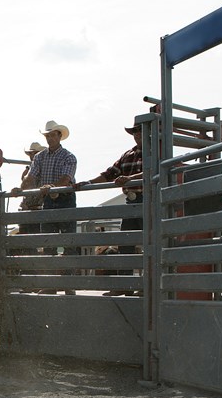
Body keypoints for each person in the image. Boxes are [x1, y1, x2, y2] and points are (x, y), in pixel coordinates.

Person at [75, 119, 144, 296]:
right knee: (126, 244)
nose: (137, 135)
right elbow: (109, 174)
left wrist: (130, 178)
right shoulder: (128, 154)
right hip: (132, 201)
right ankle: (126, 284)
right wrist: (89, 182)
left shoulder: (155, 152)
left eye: (140, 131)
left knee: (150, 244)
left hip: (148, 201)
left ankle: (146, 286)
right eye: (135, 132)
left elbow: (154, 171)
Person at [23, 120, 78, 294]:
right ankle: (51, 283)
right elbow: (32, 176)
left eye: (52, 135)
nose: (49, 138)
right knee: (48, 242)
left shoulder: (69, 156)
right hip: (49, 199)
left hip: (64, 199)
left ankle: (67, 284)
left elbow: (66, 179)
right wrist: (23, 186)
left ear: (59, 136)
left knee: (67, 242)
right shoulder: (40, 157)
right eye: (47, 135)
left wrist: (51, 187)